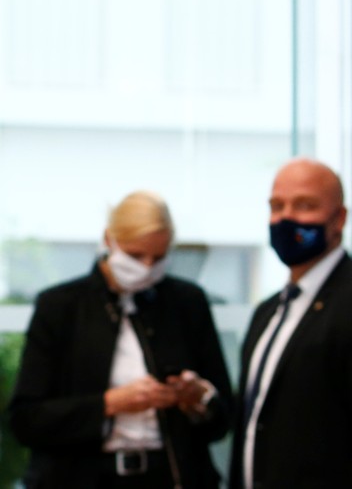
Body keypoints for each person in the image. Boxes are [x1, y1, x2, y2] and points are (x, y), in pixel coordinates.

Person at [9, 190, 233, 488]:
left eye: (159, 258)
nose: (147, 267)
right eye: (136, 255)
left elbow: (223, 417)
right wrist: (109, 404)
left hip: (169, 474)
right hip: (82, 476)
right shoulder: (61, 306)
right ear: (108, 240)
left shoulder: (186, 302)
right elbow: (26, 420)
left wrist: (198, 398)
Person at [228, 157, 352, 489]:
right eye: (277, 206)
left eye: (305, 205)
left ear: (339, 218)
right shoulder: (267, 312)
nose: (286, 218)